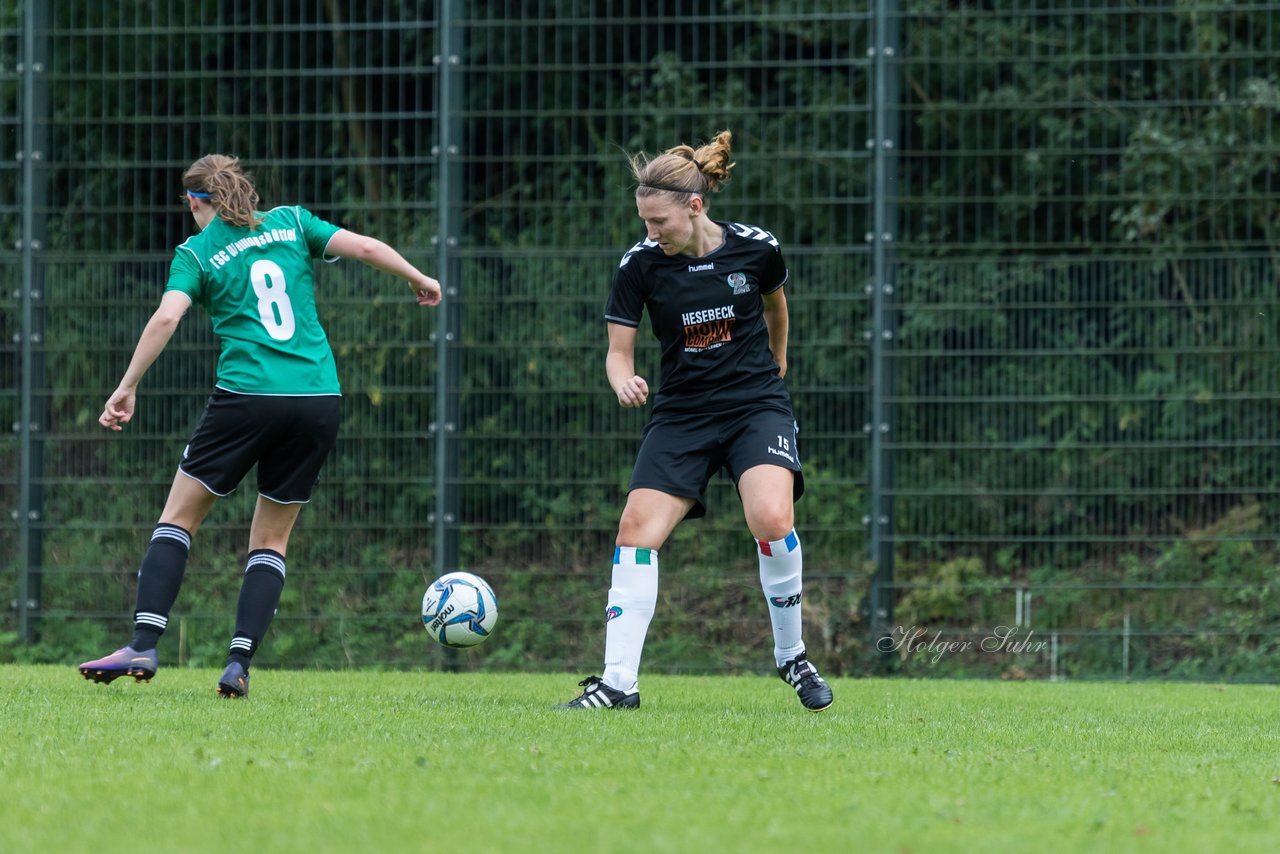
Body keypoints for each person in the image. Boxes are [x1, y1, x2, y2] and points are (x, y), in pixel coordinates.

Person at [78, 154, 441, 698]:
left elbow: (167, 316)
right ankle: (239, 663)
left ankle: (143, 642)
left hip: (247, 397)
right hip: (318, 397)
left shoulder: (196, 251)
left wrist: (126, 385)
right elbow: (365, 247)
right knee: (271, 539)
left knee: (178, 517)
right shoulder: (291, 221)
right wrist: (419, 276)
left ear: (195, 203)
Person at [558, 130, 833, 712]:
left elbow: (776, 306)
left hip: (754, 405)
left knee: (770, 515)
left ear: (695, 205)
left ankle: (792, 658)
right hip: (682, 414)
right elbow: (617, 351)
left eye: (659, 222)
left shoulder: (757, 248)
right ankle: (617, 686)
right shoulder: (640, 266)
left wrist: (780, 361)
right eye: (644, 222)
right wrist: (621, 378)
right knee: (636, 531)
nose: (650, 234)